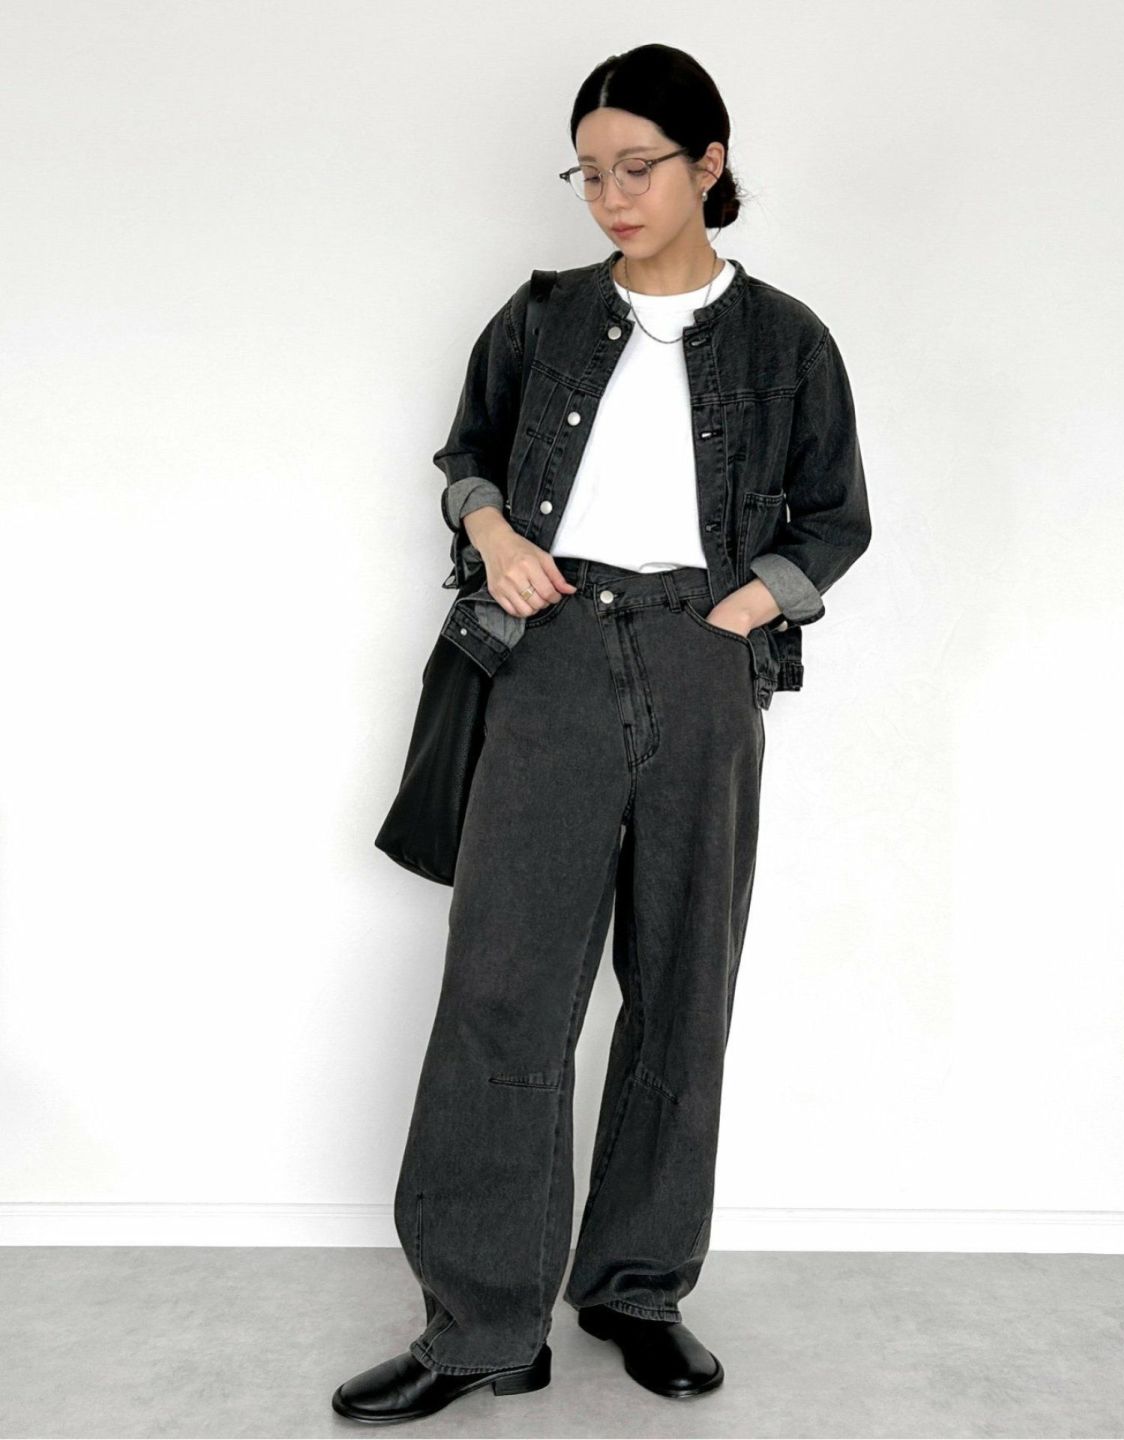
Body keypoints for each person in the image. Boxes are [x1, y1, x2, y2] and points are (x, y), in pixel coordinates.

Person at [332, 42, 871, 1426]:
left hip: (704, 659)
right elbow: (465, 460)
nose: (612, 196)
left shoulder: (788, 339)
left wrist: (739, 611)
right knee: (503, 989)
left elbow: (835, 518)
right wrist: (497, 536)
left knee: (682, 984)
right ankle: (480, 1323)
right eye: (589, 173)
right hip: (552, 653)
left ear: (710, 162)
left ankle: (635, 1286)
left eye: (639, 167)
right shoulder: (541, 318)